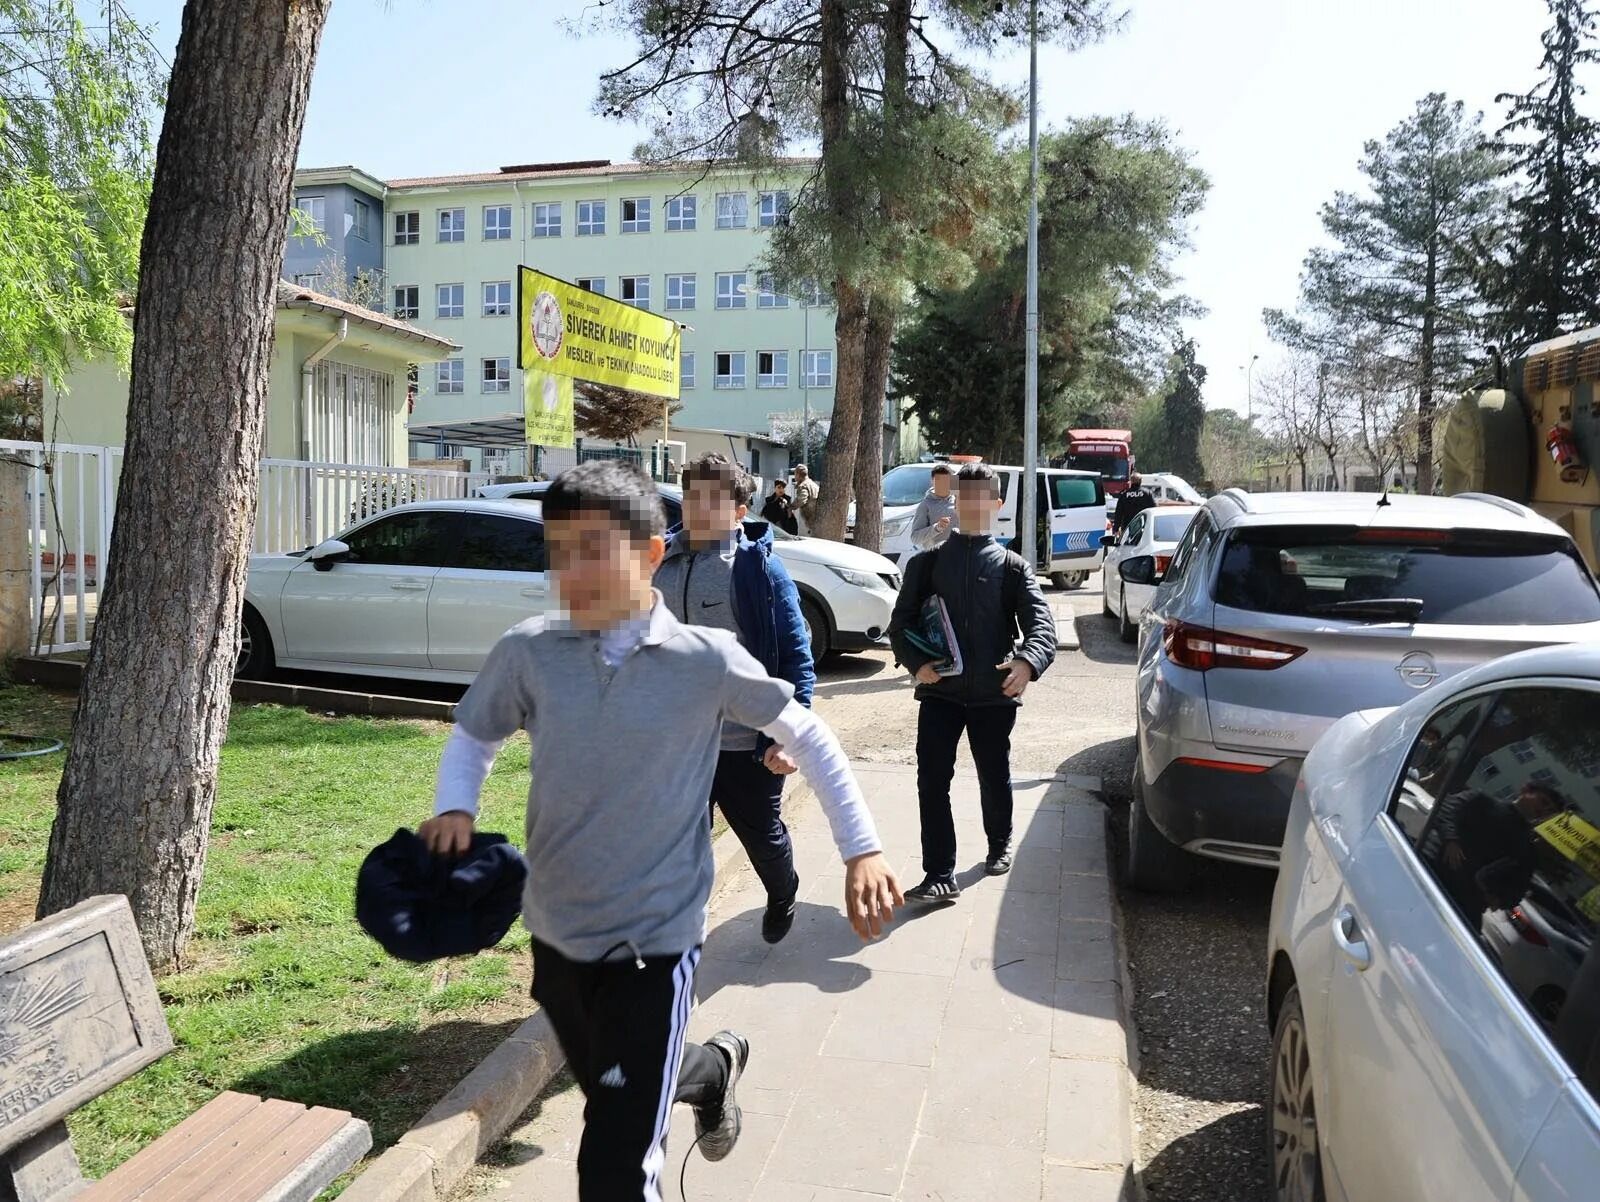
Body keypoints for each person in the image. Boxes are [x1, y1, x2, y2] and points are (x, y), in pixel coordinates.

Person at [420, 460, 902, 1200]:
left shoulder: (705, 661)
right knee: (613, 1069)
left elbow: (810, 737)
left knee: (617, 1158)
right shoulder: (530, 651)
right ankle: (712, 1071)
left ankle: (679, 1085)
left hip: (658, 935)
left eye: (590, 550)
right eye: (556, 552)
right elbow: (474, 737)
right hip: (556, 927)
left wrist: (861, 849)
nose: (569, 572)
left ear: (649, 554)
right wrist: (457, 806)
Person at [657, 453, 811, 942]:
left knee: (762, 839)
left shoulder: (758, 571)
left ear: (740, 510)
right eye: (691, 496)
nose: (698, 508)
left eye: (713, 499)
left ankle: (783, 889)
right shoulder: (658, 560)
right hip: (680, 745)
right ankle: (684, 936)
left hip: (747, 744)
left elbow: (796, 657)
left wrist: (789, 735)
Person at [888, 463, 1057, 901]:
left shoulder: (1012, 568)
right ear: (954, 502)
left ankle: (999, 844)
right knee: (932, 780)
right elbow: (901, 622)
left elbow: (1042, 627)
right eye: (964, 498)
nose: (971, 506)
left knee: (993, 775)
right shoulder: (927, 565)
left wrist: (1026, 664)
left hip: (992, 697)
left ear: (997, 505)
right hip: (939, 694)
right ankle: (939, 873)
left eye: (981, 499)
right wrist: (916, 663)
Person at [1418, 780, 1563, 930]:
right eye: (1543, 801)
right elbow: (1445, 809)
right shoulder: (1481, 801)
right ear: (1525, 790)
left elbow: (1519, 886)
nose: (1543, 810)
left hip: (1463, 902)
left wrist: (1499, 899)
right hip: (1429, 870)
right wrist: (1450, 840)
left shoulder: (1527, 849)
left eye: (1549, 811)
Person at [908, 463, 957, 552]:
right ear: (932, 481)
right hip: (936, 557)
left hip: (959, 556)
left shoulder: (959, 501)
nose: (942, 484)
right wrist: (937, 528)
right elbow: (915, 538)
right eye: (938, 481)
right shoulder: (925, 505)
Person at [792, 463, 820, 534]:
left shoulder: (803, 486)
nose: (795, 476)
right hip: (818, 519)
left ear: (798, 474)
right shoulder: (812, 484)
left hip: (812, 520)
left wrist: (791, 507)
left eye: (795, 474)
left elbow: (802, 500)